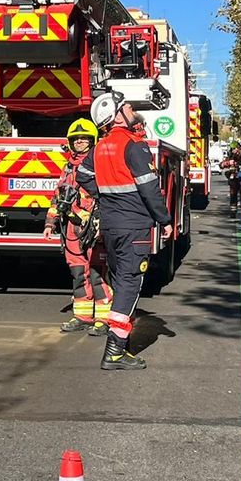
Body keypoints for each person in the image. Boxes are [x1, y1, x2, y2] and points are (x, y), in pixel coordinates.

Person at [79, 91, 174, 371]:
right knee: (130, 284)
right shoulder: (134, 145)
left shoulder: (100, 147)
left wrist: (106, 196)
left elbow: (83, 176)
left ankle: (120, 342)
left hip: (111, 225)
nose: (131, 108)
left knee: (121, 281)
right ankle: (115, 351)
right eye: (126, 107)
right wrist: (165, 219)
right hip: (134, 226)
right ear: (117, 115)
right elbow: (149, 189)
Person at [44, 118, 112, 335]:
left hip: (94, 229)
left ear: (93, 141)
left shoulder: (101, 164)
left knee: (97, 273)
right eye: (76, 139)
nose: (80, 142)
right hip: (72, 229)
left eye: (84, 139)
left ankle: (104, 318)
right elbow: (58, 197)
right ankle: (83, 315)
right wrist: (50, 223)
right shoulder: (68, 167)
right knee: (78, 272)